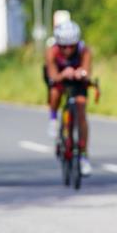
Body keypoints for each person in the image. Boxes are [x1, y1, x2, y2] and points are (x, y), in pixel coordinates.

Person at [45, 20, 93, 177]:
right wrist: (63, 74)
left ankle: (83, 155)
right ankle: (53, 119)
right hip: (59, 77)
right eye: (64, 46)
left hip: (77, 80)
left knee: (81, 109)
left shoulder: (84, 50)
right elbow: (52, 75)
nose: (68, 49)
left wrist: (81, 73)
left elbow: (87, 70)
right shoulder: (52, 52)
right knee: (55, 93)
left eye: (71, 45)